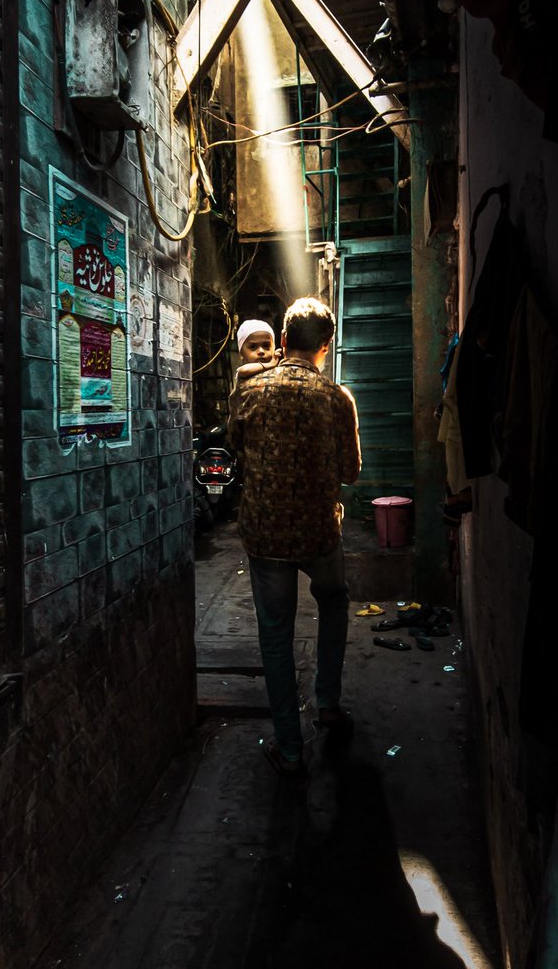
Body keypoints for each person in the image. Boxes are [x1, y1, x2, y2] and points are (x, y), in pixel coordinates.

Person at [227, 297, 361, 777]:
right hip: (318, 531)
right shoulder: (337, 398)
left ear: (283, 343)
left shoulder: (251, 391)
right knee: (334, 604)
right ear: (326, 346)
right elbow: (351, 472)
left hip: (265, 534)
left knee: (276, 635)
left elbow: (234, 443)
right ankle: (327, 704)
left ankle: (289, 748)